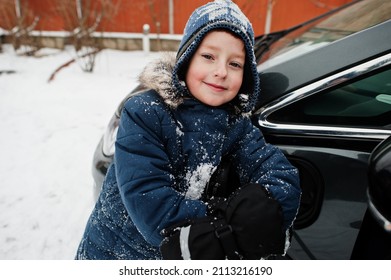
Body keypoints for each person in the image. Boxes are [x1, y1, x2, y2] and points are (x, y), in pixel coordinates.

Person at [76, 0, 301, 260]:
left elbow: (281, 175)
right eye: (208, 57)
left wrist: (263, 212)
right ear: (186, 58)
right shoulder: (145, 112)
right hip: (118, 254)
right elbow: (151, 206)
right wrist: (229, 226)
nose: (220, 72)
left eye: (235, 64)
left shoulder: (236, 126)